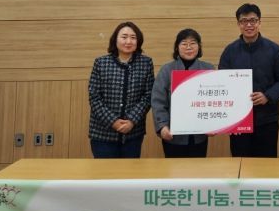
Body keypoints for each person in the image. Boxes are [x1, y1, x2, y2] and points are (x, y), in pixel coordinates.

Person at [219, 3, 279, 157]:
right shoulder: (229, 51)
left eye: (253, 20)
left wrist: (268, 96)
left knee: (266, 166)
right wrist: (230, 119)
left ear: (259, 22)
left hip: (267, 119)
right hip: (238, 121)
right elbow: (223, 83)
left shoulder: (274, 50)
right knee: (240, 164)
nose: (249, 25)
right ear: (238, 24)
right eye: (244, 21)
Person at [88, 21, 154, 158]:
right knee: (104, 171)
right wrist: (113, 121)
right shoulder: (101, 63)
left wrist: (131, 121)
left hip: (133, 133)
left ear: (138, 41)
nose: (128, 41)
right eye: (124, 37)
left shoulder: (146, 63)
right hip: (102, 133)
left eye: (133, 37)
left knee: (130, 171)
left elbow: (148, 96)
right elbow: (94, 97)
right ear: (115, 40)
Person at [151, 29, 215, 158]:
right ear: (177, 47)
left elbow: (214, 100)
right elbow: (158, 102)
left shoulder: (208, 69)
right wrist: (162, 126)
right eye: (184, 44)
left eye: (193, 43)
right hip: (173, 136)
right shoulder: (166, 70)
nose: (189, 47)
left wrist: (213, 125)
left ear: (199, 46)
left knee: (198, 169)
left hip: (199, 136)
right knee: (174, 169)